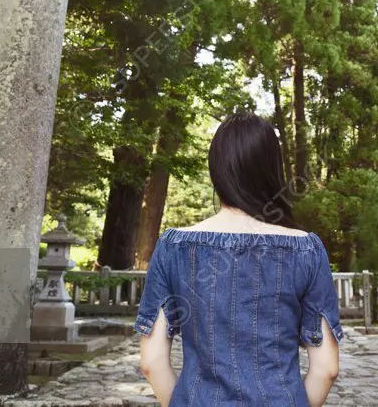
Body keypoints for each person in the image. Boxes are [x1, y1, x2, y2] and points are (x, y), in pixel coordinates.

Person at [135, 111, 343, 407]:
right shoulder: (307, 250)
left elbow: (152, 362)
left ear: (217, 170)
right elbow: (326, 369)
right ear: (273, 169)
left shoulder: (173, 246)